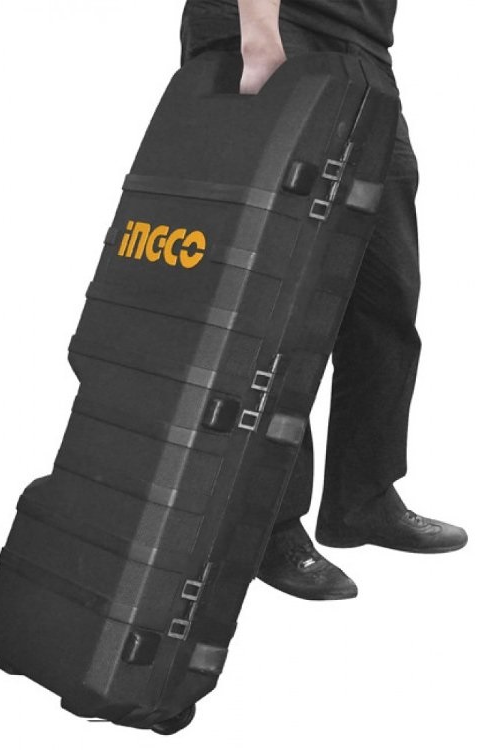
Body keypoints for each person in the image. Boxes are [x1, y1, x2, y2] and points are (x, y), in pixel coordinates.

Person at [180, 0, 468, 600]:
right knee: (277, 300)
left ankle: (363, 499)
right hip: (272, 31)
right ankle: (268, 525)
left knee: (385, 289)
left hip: (362, 47)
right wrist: (258, 38)